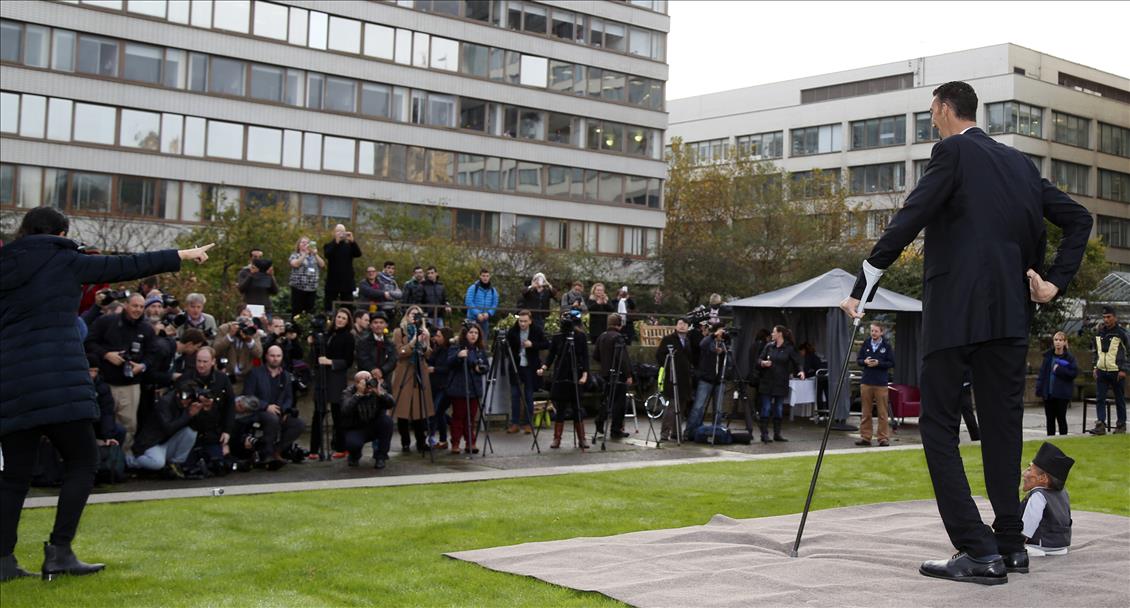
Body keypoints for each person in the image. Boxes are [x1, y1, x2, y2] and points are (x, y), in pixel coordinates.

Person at [839, 81, 1092, 584]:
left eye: (931, 111)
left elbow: (912, 216)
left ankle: (977, 551)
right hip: (1010, 319)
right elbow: (1078, 219)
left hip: (955, 314)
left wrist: (861, 286)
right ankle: (1009, 544)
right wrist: (1054, 284)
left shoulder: (951, 151)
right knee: (1003, 431)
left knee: (938, 429)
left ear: (942, 108)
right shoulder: (1020, 165)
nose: (932, 119)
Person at [1, 207, 212, 582]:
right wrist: (180, 255)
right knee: (83, 461)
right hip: (60, 379)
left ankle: (2, 561)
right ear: (62, 231)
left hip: (13, 382)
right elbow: (126, 265)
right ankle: (59, 551)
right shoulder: (67, 259)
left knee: (14, 476)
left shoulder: (6, 264)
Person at [128, 377, 206, 477]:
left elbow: (199, 427)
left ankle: (175, 464)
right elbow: (168, 428)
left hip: (168, 442)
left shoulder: (191, 403)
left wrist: (205, 410)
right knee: (157, 464)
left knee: (191, 432)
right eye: (185, 396)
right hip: (152, 443)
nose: (187, 400)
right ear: (177, 393)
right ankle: (131, 461)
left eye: (190, 397)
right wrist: (188, 414)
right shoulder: (165, 402)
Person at [242, 345, 305, 467]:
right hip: (258, 412)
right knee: (272, 419)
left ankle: (276, 450)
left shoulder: (285, 375)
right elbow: (248, 396)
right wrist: (266, 406)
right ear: (266, 356)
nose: (275, 359)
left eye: (278, 356)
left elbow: (289, 397)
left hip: (279, 411)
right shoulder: (255, 373)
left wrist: (285, 411)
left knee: (299, 424)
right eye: (272, 356)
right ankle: (267, 455)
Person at [541, 314, 590, 449]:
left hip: (576, 374)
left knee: (577, 408)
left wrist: (585, 375)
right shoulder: (558, 337)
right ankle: (557, 438)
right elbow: (551, 354)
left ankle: (582, 438)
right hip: (561, 374)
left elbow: (585, 357)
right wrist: (544, 367)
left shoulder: (580, 337)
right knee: (561, 408)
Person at [182, 346, 234, 474]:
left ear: (213, 362)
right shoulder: (186, 378)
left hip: (213, 431)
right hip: (191, 431)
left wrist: (227, 431)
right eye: (199, 361)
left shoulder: (222, 379)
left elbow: (229, 407)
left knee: (219, 466)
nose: (201, 365)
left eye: (205, 362)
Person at [1020, 442, 1075, 558]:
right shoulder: (1063, 493)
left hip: (1039, 544)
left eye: (1029, 470)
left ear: (1043, 478)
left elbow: (1030, 522)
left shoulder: (1038, 495)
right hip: (1061, 545)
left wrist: (1018, 544)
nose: (1024, 473)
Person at [313, 308, 355, 458]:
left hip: (337, 377)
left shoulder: (349, 337)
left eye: (344, 318)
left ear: (348, 321)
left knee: (338, 413)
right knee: (319, 411)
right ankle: (314, 449)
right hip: (323, 376)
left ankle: (341, 447)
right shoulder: (327, 334)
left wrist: (330, 362)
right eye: (339, 317)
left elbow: (348, 361)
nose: (340, 320)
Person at [391, 305, 433, 454]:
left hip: (420, 371)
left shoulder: (424, 332)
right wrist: (413, 342)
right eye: (412, 314)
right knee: (403, 409)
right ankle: (405, 442)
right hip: (405, 371)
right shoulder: (399, 331)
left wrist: (425, 341)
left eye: (418, 315)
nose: (414, 317)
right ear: (407, 315)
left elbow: (427, 354)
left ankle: (421, 441)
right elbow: (399, 352)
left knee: (419, 409)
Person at [756, 325, 804, 443]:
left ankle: (777, 433)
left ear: (780, 334)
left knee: (778, 408)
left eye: (774, 332)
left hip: (780, 382)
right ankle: (764, 434)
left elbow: (797, 361)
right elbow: (758, 359)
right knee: (766, 408)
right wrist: (763, 363)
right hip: (767, 381)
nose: (772, 334)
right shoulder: (769, 346)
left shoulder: (789, 348)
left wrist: (801, 371)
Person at [446, 323, 489, 454]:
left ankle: (471, 442)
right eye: (471, 332)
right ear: (465, 334)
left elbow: (485, 367)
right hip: (459, 386)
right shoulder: (456, 347)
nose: (473, 335)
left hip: (474, 387)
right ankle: (455, 443)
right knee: (458, 416)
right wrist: (458, 356)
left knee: (471, 417)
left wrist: (479, 368)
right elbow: (449, 362)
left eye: (476, 333)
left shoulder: (479, 350)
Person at [506, 310, 550, 434]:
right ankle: (515, 423)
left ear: (530, 321)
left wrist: (532, 344)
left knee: (529, 395)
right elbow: (507, 346)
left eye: (525, 321)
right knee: (515, 395)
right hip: (516, 365)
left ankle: (527, 423)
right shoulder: (513, 331)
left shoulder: (536, 330)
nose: (522, 324)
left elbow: (546, 344)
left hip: (530, 366)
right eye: (520, 321)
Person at [340, 371, 395, 469]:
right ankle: (354, 455)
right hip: (356, 428)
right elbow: (345, 410)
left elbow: (391, 404)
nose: (369, 383)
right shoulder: (348, 392)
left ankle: (381, 457)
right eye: (364, 381)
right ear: (356, 383)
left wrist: (380, 393)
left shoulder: (377, 389)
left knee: (387, 422)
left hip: (374, 426)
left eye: (369, 379)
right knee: (353, 444)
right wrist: (358, 394)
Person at [656, 318, 698, 441]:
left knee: (682, 406)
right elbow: (659, 355)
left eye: (685, 324)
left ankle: (676, 432)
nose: (682, 326)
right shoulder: (668, 340)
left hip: (685, 378)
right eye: (680, 324)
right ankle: (665, 432)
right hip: (672, 376)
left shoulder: (687, 341)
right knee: (672, 406)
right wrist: (669, 365)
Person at [593, 313, 634, 439]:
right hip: (618, 374)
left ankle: (600, 418)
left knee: (607, 399)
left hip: (605, 373)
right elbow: (623, 358)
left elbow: (595, 355)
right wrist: (628, 374)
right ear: (619, 325)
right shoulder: (618, 337)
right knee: (619, 403)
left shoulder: (602, 336)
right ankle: (616, 429)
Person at [685, 323, 730, 439]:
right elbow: (702, 344)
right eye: (721, 331)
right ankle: (690, 432)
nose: (722, 334)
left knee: (718, 409)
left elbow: (729, 359)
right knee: (698, 407)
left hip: (720, 380)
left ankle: (717, 432)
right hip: (706, 379)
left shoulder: (725, 344)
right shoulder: (708, 341)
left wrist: (723, 350)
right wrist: (714, 336)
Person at [856, 322, 895, 447]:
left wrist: (878, 363)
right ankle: (865, 437)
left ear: (881, 332)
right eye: (872, 331)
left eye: (876, 331)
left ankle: (883, 438)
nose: (873, 333)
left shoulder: (887, 346)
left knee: (882, 412)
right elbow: (859, 360)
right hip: (866, 382)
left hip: (880, 383)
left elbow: (891, 363)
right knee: (866, 411)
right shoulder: (866, 344)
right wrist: (865, 361)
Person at [1091, 305, 1128, 435]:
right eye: (1104, 317)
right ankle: (1100, 423)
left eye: (1109, 317)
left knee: (1119, 399)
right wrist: (1095, 367)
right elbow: (1095, 351)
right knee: (1100, 398)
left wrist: (1124, 369)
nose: (1106, 320)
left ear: (1115, 317)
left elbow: (1127, 352)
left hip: (1116, 371)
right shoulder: (1099, 333)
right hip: (1102, 370)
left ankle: (1121, 424)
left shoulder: (1122, 333)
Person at [1035, 332, 1078, 436]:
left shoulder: (1069, 358)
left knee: (1061, 418)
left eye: (1060, 340)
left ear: (1065, 342)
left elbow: (1073, 373)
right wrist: (1039, 389)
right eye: (1056, 340)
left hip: (1062, 394)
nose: (1058, 342)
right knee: (1050, 420)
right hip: (1048, 393)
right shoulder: (1048, 357)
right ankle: (1050, 441)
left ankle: (1063, 440)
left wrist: (1059, 370)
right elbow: (1042, 374)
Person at [427, 327, 455, 449]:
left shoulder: (450, 350)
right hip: (435, 384)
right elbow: (430, 360)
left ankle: (432, 435)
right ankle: (443, 439)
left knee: (437, 411)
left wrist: (435, 369)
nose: (436, 338)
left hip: (445, 386)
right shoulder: (437, 349)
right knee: (440, 413)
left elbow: (449, 368)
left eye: (439, 336)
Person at [322, 224, 362, 311]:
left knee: (347, 306)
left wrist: (352, 241)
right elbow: (327, 254)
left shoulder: (349, 246)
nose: (340, 234)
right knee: (329, 305)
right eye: (338, 231)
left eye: (342, 232)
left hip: (346, 282)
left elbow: (358, 254)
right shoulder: (329, 245)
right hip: (332, 282)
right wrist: (336, 242)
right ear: (334, 233)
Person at [288, 236, 324, 316]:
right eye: (302, 242)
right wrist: (304, 254)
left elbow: (322, 264)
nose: (305, 244)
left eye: (307, 243)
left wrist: (315, 254)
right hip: (298, 288)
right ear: (299, 245)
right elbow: (296, 264)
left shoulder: (313, 257)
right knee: (297, 311)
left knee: (310, 312)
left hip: (311, 289)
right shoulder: (295, 255)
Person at [465, 268, 499, 338]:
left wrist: (489, 313)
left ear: (489, 277)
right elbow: (468, 302)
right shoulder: (473, 288)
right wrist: (477, 313)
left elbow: (495, 304)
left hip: (485, 320)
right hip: (472, 319)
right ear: (480, 276)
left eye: (487, 276)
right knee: (471, 339)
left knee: (483, 340)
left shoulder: (493, 290)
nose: (485, 278)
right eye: (483, 276)